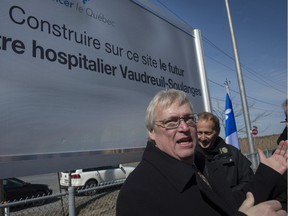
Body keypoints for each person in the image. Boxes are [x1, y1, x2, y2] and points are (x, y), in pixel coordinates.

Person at [116, 89, 287, 216]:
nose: (184, 127)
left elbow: (231, 204)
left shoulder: (202, 164)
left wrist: (269, 174)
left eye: (189, 118)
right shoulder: (137, 193)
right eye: (171, 122)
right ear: (152, 132)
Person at [196, 112, 254, 191]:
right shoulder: (189, 156)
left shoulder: (233, 154)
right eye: (199, 133)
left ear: (217, 131)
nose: (203, 138)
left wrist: (228, 196)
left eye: (208, 133)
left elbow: (249, 182)